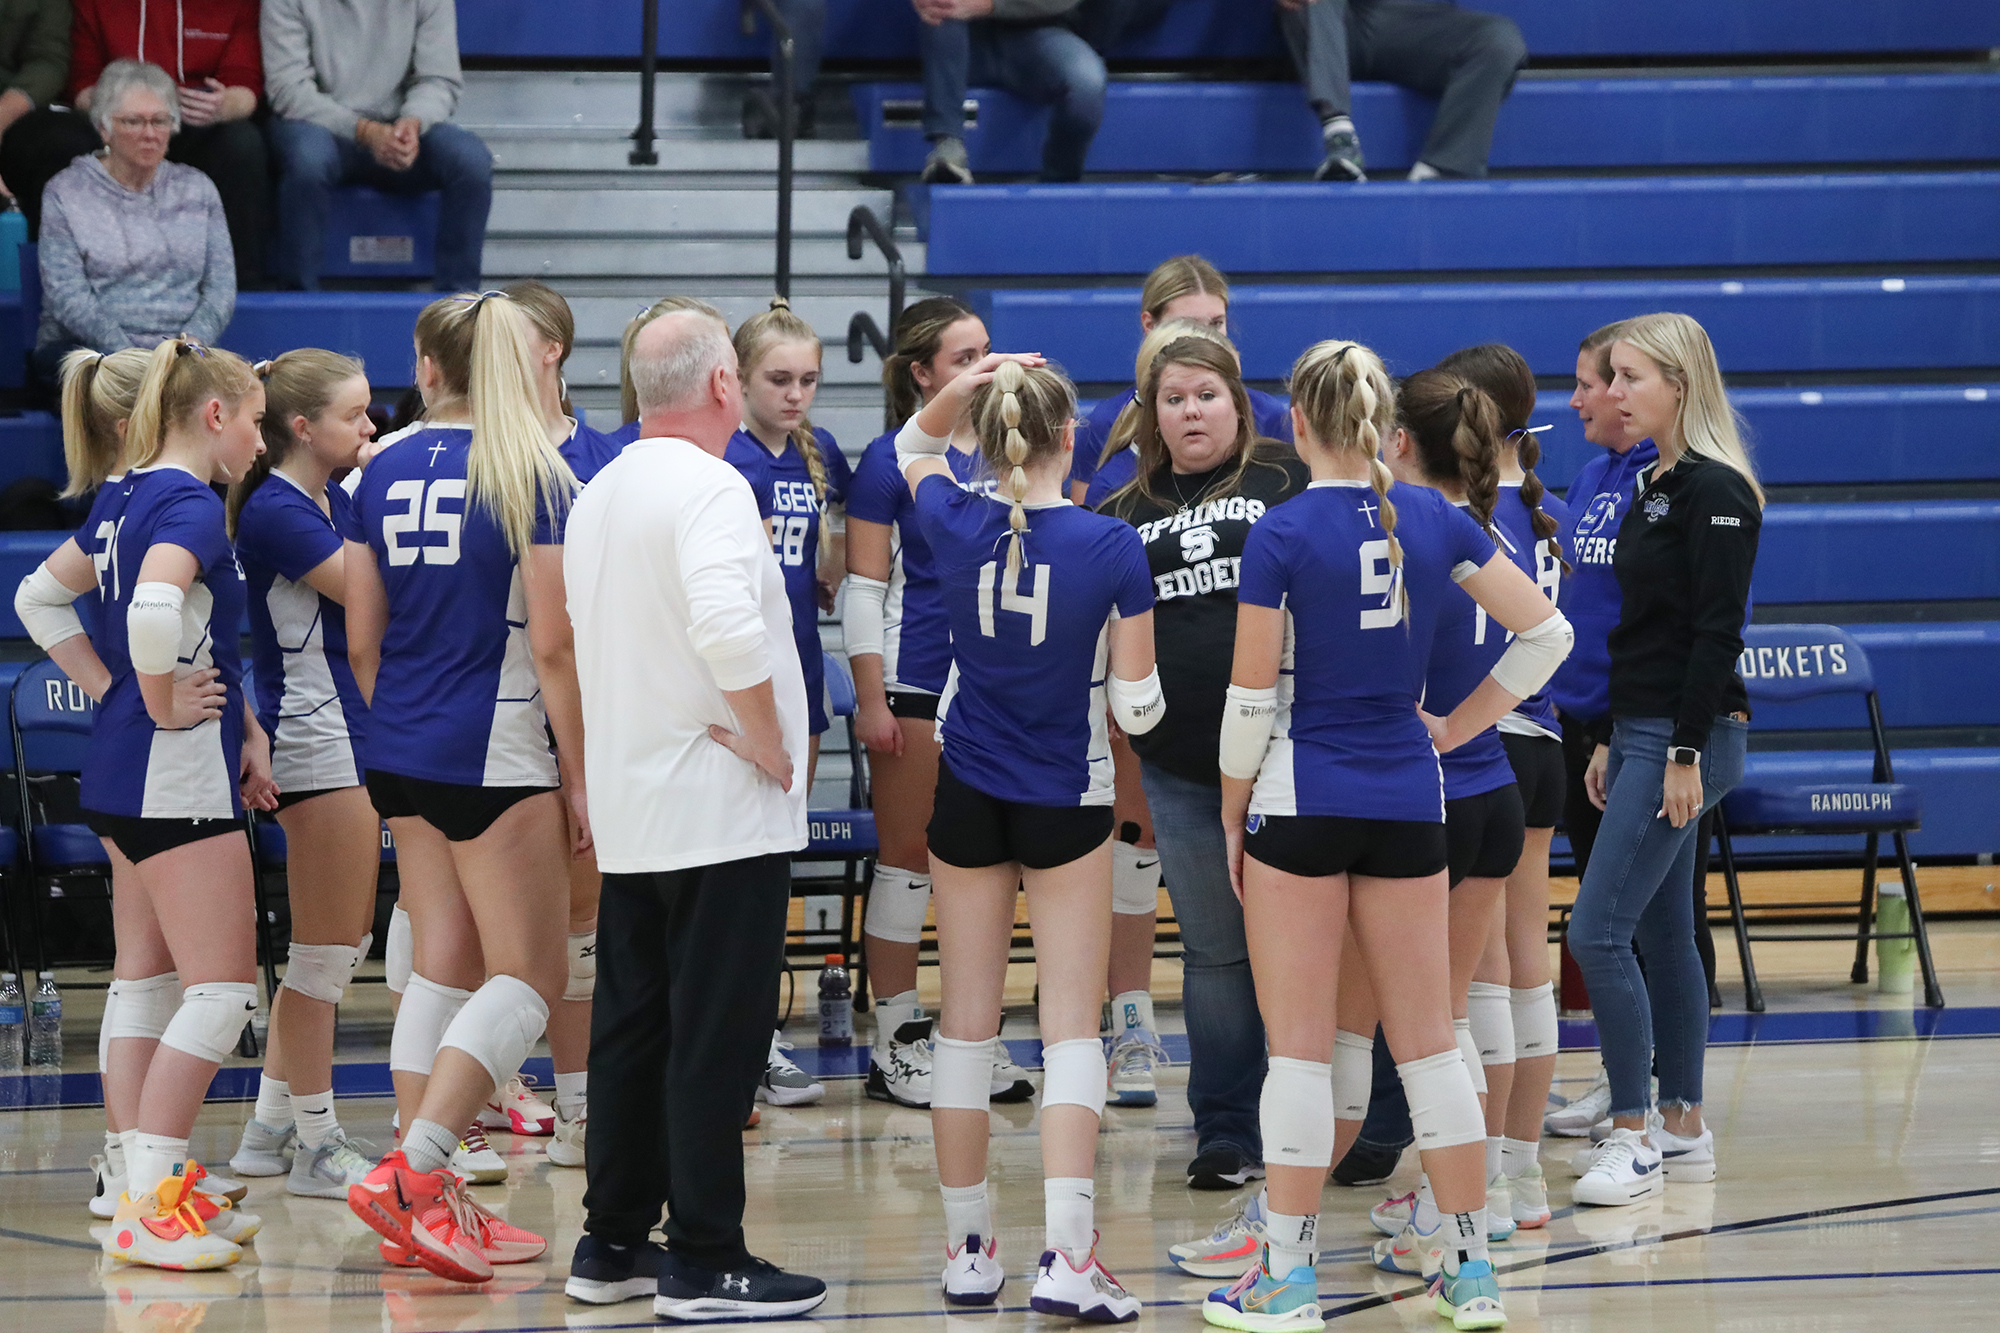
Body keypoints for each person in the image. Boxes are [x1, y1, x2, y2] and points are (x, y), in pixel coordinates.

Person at [1201, 339, 1569, 1333]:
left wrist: (1232, 809)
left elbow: (1245, 699)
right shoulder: (1435, 516)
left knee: (1301, 1056)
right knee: (1429, 1046)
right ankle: (1467, 1270)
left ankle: (1284, 1278)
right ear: (1378, 427)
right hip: (1414, 802)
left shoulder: (1278, 533)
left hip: (1302, 796)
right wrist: (1457, 724)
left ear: (1294, 423)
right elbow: (1547, 636)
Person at [560, 303, 827, 1319]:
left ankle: (614, 1240)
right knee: (716, 1035)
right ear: (723, 385)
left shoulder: (600, 489)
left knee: (632, 1029)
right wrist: (770, 740)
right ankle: (706, 1255)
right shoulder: (713, 487)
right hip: (718, 809)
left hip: (636, 808)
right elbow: (723, 625)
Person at [893, 351, 1157, 1319]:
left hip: (965, 787)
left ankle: (967, 1250)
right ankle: (1067, 1256)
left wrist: (969, 383)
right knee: (1068, 1028)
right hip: (1065, 794)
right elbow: (1135, 703)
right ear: (1064, 439)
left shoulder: (951, 516)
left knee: (963, 1026)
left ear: (990, 428)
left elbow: (907, 446)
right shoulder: (1109, 543)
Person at [15, 335, 278, 1270]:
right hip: (172, 776)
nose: (260, 436)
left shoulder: (124, 496)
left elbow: (38, 598)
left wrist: (115, 692)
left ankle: (134, 1180)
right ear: (213, 416)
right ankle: (152, 1203)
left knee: (144, 979)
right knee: (218, 987)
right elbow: (157, 613)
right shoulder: (189, 500)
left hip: (124, 772)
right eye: (253, 419)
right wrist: (158, 695)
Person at [340, 291, 582, 1284]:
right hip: (497, 745)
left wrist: (403, 717)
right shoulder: (535, 469)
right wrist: (579, 773)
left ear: (427, 367)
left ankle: (426, 1191)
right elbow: (557, 646)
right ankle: (416, 1168)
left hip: (398, 744)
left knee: (440, 963)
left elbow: (362, 633)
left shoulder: (377, 464)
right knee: (532, 975)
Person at [1092, 329, 1305, 1208]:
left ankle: (1348, 1113)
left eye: (1206, 395)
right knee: (1217, 954)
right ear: (1151, 413)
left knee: (1307, 948)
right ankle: (1225, 1126)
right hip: (1181, 766)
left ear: (1237, 402)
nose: (1191, 411)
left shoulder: (1285, 476)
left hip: (1296, 752)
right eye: (1173, 398)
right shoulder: (1120, 512)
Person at [1568, 312, 1761, 1207]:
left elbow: (1713, 635)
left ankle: (1635, 1131)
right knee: (1659, 931)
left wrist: (1682, 750)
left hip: (1689, 735)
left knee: (1595, 930)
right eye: (1608, 379)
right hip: (1640, 725)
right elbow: (1636, 630)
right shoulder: (1652, 483)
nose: (1611, 394)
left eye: (1628, 377)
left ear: (1679, 384)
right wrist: (1610, 728)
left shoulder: (1717, 490)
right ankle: (1681, 1121)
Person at [1345, 369, 1539, 1258]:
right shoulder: (1507, 528)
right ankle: (1480, 1189)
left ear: (1397, 443)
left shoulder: (1405, 536)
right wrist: (1473, 728)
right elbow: (1548, 640)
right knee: (1464, 1006)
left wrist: (1451, 726)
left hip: (1432, 796)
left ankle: (1436, 1205)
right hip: (1497, 782)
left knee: (1411, 1024)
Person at [843, 297, 1033, 1110]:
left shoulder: (1009, 448)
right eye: (964, 358)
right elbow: (861, 589)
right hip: (916, 683)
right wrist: (869, 698)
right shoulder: (890, 459)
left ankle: (966, 1036)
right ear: (922, 373)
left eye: (987, 351)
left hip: (995, 689)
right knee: (906, 861)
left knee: (983, 872)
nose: (984, 369)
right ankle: (894, 1040)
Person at [224, 350, 383, 1199]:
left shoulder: (330, 499)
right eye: (355, 416)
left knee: (339, 946)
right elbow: (368, 592)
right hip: (312, 740)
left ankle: (267, 1130)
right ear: (300, 427)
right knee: (323, 957)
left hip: (347, 735)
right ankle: (317, 1143)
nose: (370, 428)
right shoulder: (278, 510)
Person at [1435, 341, 1569, 1231]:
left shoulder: (1471, 516)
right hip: (1547, 742)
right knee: (1530, 972)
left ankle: (1474, 1189)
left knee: (1484, 982)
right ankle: (1522, 1177)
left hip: (1488, 742)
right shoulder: (1544, 509)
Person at [1540, 320, 1646, 1139]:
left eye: (1594, 380)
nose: (1578, 398)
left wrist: (1618, 724)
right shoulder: (1596, 473)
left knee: (1646, 916)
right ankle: (1621, 1076)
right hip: (1578, 724)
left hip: (1633, 729)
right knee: (1606, 909)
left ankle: (1658, 1091)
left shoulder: (1670, 482)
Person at [27, 0, 271, 281]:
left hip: (196, 117)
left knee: (243, 145)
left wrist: (224, 105)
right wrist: (124, 111)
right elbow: (82, 83)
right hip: (117, 116)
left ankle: (238, 287)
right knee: (59, 142)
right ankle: (72, 279)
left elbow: (245, 82)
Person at [261, 0, 491, 291]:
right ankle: (299, 301)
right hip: (318, 125)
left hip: (398, 126)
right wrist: (365, 131)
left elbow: (438, 79)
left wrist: (413, 122)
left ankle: (458, 311)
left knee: (471, 160)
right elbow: (288, 89)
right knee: (309, 160)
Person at [34, 61, 233, 391]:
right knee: (126, 393)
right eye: (133, 121)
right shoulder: (66, 191)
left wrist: (191, 345)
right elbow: (66, 293)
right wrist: (132, 357)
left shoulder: (198, 188)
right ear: (104, 128)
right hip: (92, 350)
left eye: (160, 121)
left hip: (182, 353)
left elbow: (220, 287)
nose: (150, 133)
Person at [728, 297, 852, 789]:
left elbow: (844, 509)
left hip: (799, 646)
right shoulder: (722, 450)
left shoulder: (819, 448)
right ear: (738, 377)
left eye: (809, 380)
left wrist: (833, 564)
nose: (796, 395)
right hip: (738, 654)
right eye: (779, 381)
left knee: (791, 811)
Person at [1071, 255, 1293, 507]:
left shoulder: (1269, 415)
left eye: (1216, 323)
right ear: (1150, 325)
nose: (1204, 337)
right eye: (1187, 324)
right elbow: (1088, 525)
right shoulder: (1105, 423)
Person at [913, 0, 1170, 185]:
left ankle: (1058, 186)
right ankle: (947, 147)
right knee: (941, 6)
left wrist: (990, 4)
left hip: (1037, 34)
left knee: (1086, 83)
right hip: (959, 37)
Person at [1274, 0, 1527, 182]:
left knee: (1498, 39)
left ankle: (1441, 172)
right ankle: (1339, 137)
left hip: (1422, 25)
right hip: (1342, 23)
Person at [0, 0, 80, 229]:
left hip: (14, 102)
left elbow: (48, 61)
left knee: (62, 141)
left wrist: (1, 116)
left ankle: (45, 259)